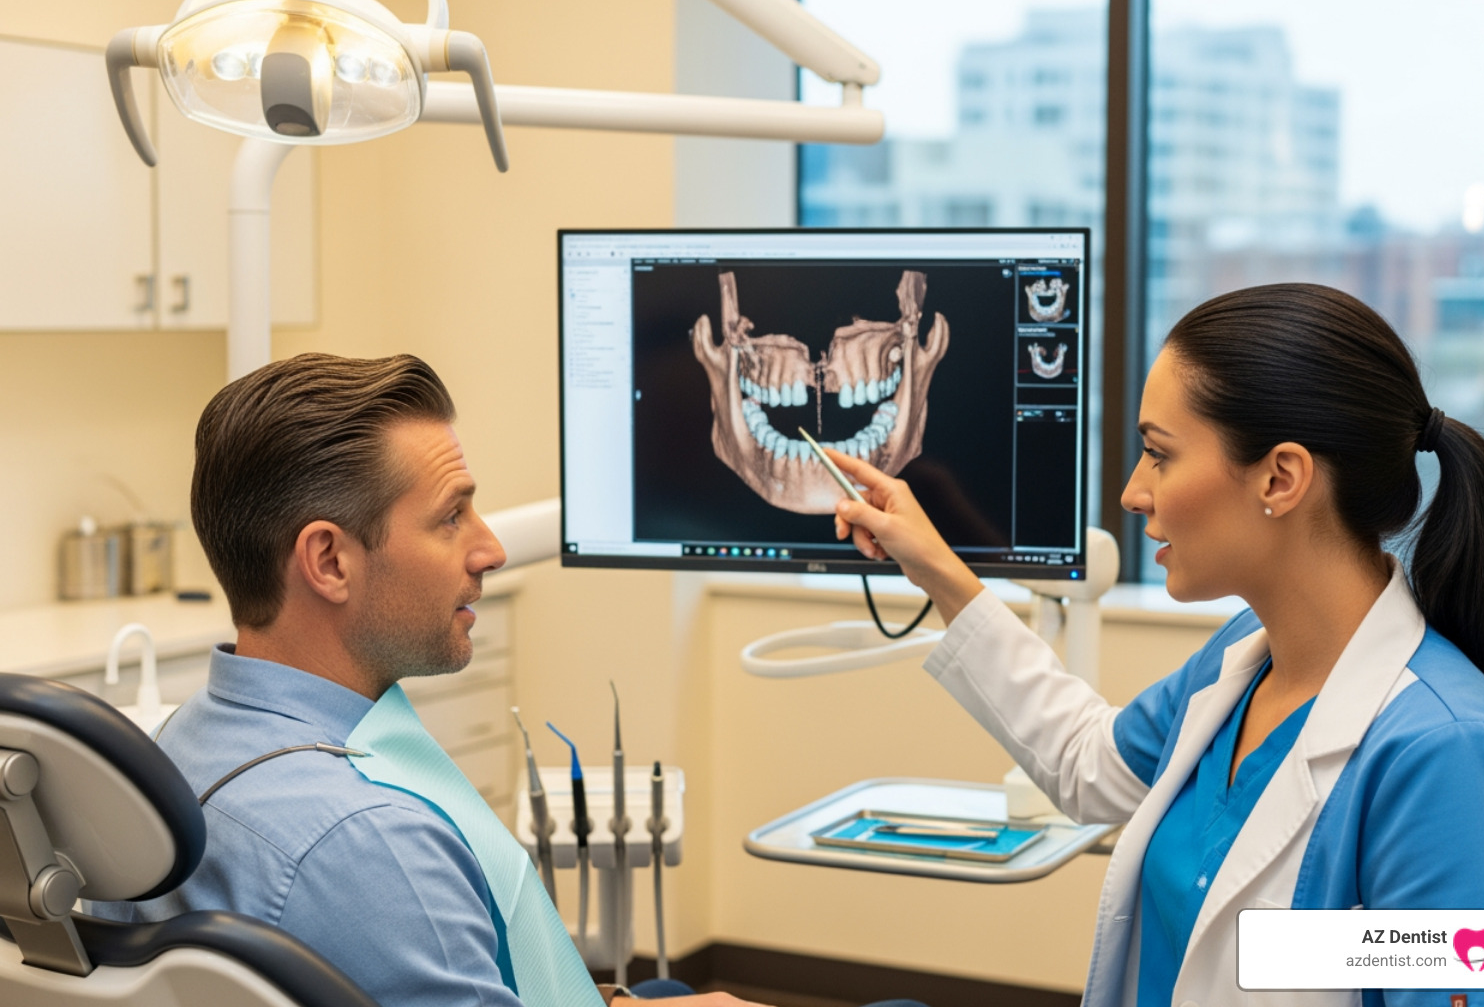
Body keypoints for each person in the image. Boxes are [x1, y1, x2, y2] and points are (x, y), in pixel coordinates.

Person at [89, 353, 923, 1007]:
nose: (489, 548)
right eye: (451, 516)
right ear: (330, 560)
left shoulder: (180, 745)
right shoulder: (370, 840)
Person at [825, 283, 1484, 1007]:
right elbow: (1086, 763)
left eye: (1158, 455)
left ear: (1280, 477)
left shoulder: (1447, 757)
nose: (1135, 493)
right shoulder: (1243, 662)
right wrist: (936, 566)